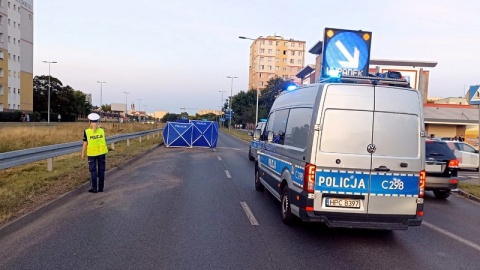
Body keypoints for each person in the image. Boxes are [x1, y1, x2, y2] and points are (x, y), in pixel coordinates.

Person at [81, 113, 108, 193]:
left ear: (89, 122)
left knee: (93, 171)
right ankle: (101, 188)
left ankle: (94, 188)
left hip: (92, 154)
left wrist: (83, 153)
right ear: (98, 121)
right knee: (101, 170)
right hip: (102, 153)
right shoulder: (102, 130)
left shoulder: (87, 132)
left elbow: (85, 143)